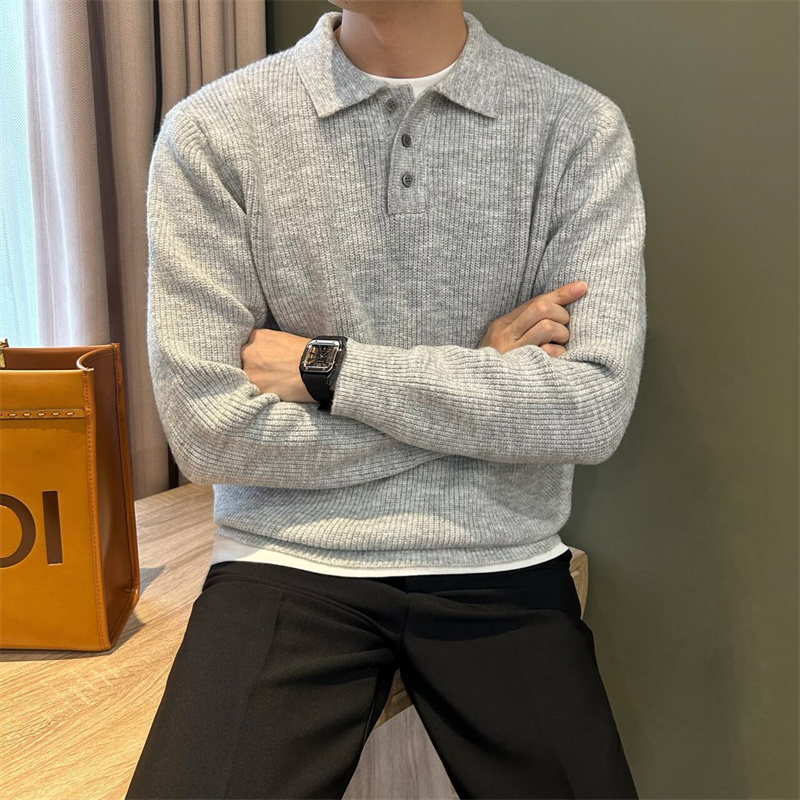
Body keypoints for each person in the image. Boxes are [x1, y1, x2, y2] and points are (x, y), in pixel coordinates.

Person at [126, 0, 646, 797]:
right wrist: (481, 376)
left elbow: (590, 410)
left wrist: (330, 371)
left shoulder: (577, 130)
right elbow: (208, 433)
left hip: (499, 556)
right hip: (285, 558)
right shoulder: (213, 132)